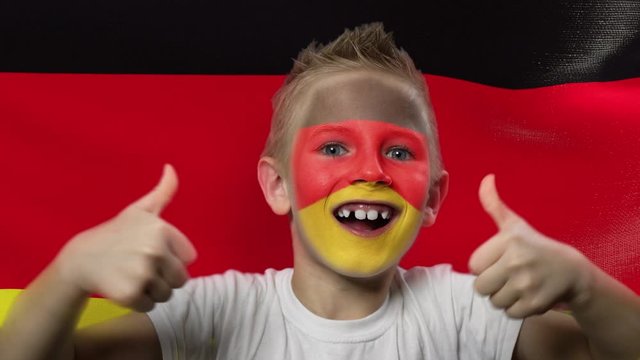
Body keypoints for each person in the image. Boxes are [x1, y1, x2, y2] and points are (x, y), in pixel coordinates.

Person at [0, 22, 638, 360]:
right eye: (333, 148)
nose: (370, 171)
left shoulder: (467, 314)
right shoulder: (216, 316)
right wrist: (71, 272)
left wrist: (585, 285)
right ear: (277, 186)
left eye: (398, 151)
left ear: (435, 197)